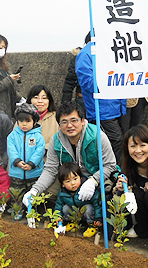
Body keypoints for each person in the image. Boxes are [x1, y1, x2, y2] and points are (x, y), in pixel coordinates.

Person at [22, 101, 118, 206]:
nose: (69, 125)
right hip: (69, 177)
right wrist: (35, 190)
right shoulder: (56, 140)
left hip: (94, 176)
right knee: (48, 192)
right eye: (64, 122)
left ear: (82, 121)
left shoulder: (97, 136)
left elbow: (110, 165)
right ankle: (62, 216)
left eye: (74, 120)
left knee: (108, 193)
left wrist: (93, 180)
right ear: (59, 124)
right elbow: (50, 169)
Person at [75, 33, 126, 165]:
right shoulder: (86, 54)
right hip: (102, 109)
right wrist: (110, 82)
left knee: (120, 142)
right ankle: (114, 175)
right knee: (114, 142)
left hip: (117, 106)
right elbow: (87, 82)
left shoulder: (109, 49)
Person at [7, 103, 46, 200]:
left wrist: (31, 164)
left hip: (34, 172)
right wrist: (17, 161)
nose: (24, 124)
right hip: (17, 172)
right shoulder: (12, 136)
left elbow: (39, 152)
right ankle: (17, 212)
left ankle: (33, 212)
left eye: (28, 121)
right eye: (21, 121)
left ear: (34, 121)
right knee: (16, 195)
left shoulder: (38, 137)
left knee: (33, 195)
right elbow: (11, 150)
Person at [55, 161, 103, 235]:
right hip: (75, 214)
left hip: (86, 214)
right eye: (68, 181)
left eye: (75, 179)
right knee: (65, 208)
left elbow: (97, 203)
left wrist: (98, 218)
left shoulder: (87, 189)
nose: (73, 183)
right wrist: (57, 217)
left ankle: (92, 225)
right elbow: (59, 205)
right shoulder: (63, 193)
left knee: (88, 208)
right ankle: (72, 223)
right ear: (63, 184)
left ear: (80, 177)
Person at [26, 84, 59, 151]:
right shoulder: (23, 116)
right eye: (36, 98)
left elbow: (61, 141)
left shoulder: (57, 117)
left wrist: (43, 149)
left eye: (44, 98)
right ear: (30, 100)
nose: (40, 101)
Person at [61, 46, 85, 112]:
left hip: (105, 101)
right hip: (82, 100)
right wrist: (65, 106)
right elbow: (69, 83)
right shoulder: (78, 58)